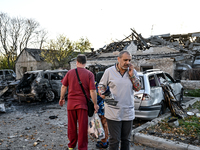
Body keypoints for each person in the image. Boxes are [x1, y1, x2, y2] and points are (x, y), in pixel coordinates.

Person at [98, 50, 141, 150]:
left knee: (126, 140)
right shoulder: (109, 71)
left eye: (129, 60)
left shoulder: (133, 72)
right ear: (118, 59)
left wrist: (132, 76)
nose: (128, 62)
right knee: (114, 140)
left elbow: (138, 88)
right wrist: (103, 95)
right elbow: (101, 86)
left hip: (128, 112)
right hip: (113, 112)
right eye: (125, 60)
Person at [59, 54, 99, 150]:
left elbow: (64, 87)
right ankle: (82, 147)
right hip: (83, 105)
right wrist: (95, 104)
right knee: (82, 127)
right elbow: (92, 91)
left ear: (77, 62)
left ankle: (71, 146)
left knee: (71, 126)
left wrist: (61, 98)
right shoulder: (89, 74)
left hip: (71, 105)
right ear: (85, 63)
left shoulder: (69, 73)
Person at [95, 78, 109, 149]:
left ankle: (104, 143)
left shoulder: (97, 86)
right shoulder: (107, 85)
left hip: (101, 109)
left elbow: (97, 97)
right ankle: (105, 139)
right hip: (106, 108)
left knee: (102, 126)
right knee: (105, 125)